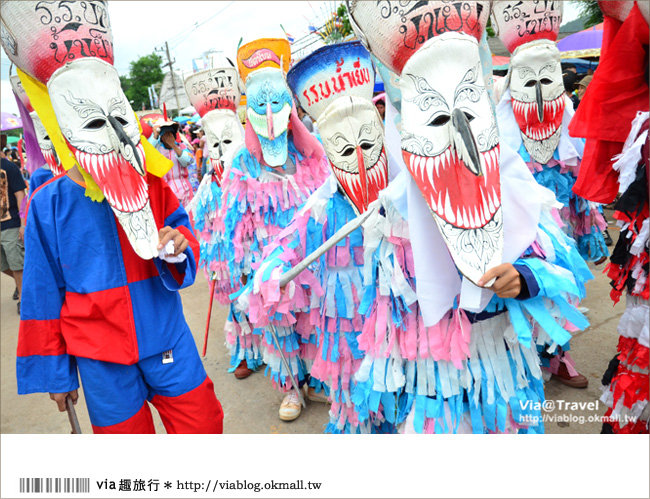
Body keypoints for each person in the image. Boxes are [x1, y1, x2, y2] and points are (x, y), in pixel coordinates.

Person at [346, 0, 592, 433]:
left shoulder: (513, 182)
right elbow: (385, 321)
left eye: (469, 112)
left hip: (503, 362)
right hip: (431, 380)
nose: (458, 139)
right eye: (436, 118)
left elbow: (560, 265)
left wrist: (525, 277)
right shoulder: (393, 215)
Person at [2, 0, 223, 434]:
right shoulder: (49, 203)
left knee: (204, 426)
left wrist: (178, 244)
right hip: (99, 358)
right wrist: (57, 375)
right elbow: (43, 292)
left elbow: (182, 230)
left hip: (166, 336)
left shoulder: (152, 180)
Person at [243, 40, 391, 432]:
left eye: (366, 142)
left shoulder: (408, 191)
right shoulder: (324, 204)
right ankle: (297, 387)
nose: (358, 158)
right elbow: (289, 240)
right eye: (343, 148)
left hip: (400, 329)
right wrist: (268, 267)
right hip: (346, 325)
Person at [212, 35, 329, 420]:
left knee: (315, 319)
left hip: (310, 257)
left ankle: (318, 379)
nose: (269, 110)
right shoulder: (242, 164)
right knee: (279, 329)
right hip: (268, 265)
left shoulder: (309, 154)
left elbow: (327, 198)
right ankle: (291, 389)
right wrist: (245, 267)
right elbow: (233, 222)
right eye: (260, 103)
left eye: (277, 101)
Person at [1, 134, 27, 315]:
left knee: (17, 263)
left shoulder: (9, 167)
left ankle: (24, 297)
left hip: (10, 222)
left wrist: (23, 223)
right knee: (4, 265)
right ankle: (23, 285)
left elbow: (20, 195)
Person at [149, 119, 195, 208]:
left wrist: (173, 145)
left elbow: (187, 161)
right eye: (165, 134)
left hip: (183, 190)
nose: (168, 137)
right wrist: (155, 135)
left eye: (170, 134)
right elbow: (146, 154)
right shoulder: (157, 148)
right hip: (163, 191)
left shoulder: (182, 146)